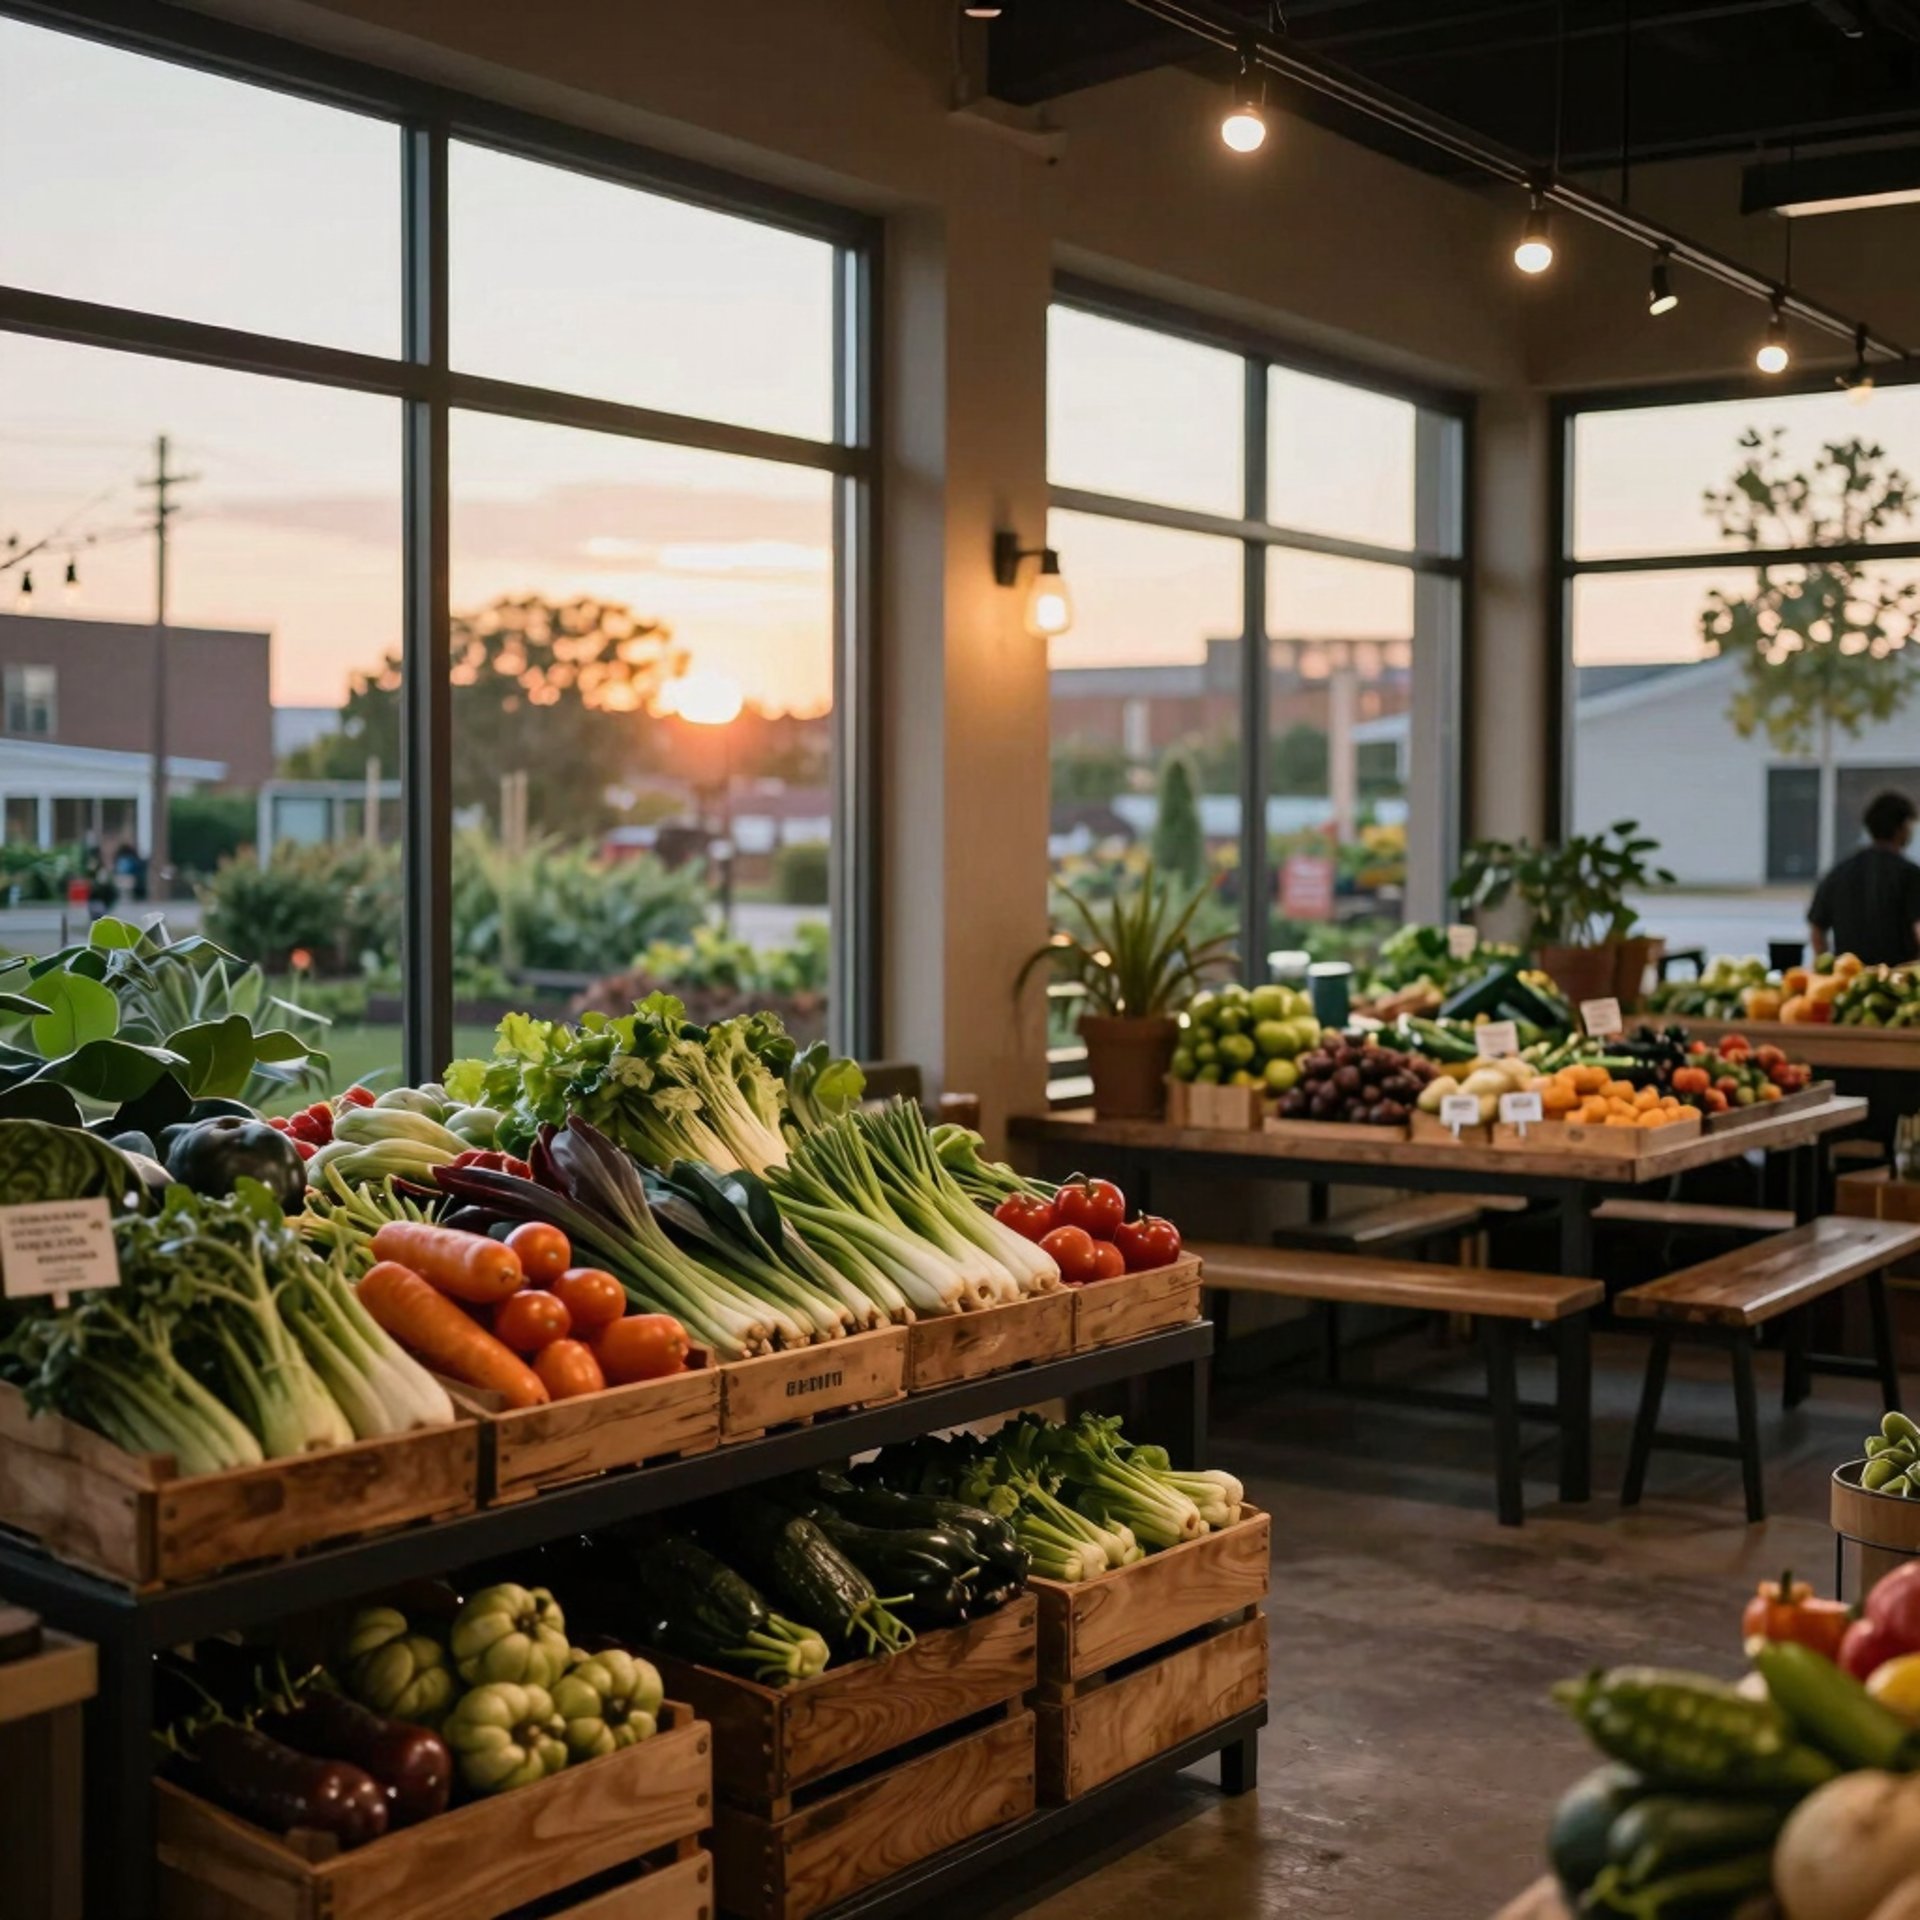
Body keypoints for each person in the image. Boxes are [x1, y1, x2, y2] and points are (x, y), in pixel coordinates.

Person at [1808, 789, 1920, 966]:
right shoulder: (1910, 874)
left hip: (1851, 978)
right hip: (1898, 977)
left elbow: (1817, 930)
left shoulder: (1839, 872)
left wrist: (1828, 969)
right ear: (1902, 827)